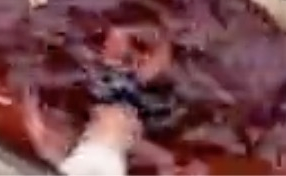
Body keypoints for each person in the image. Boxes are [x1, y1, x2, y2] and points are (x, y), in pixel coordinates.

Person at [20, 25, 179, 176]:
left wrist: (33, 114)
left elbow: (43, 140)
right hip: (133, 116)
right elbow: (164, 158)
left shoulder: (68, 154)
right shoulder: (129, 130)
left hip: (116, 117)